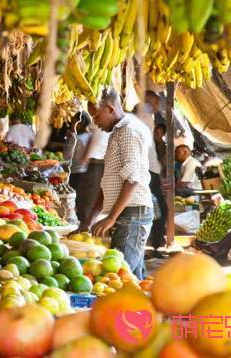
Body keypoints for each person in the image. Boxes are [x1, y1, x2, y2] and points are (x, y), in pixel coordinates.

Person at [88, 88, 154, 280]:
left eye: (96, 116)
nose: (95, 122)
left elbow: (132, 179)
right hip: (129, 214)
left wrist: (111, 218)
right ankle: (139, 311)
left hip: (133, 214)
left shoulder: (128, 131)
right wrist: (91, 218)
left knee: (118, 278)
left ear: (109, 109)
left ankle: (128, 311)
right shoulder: (118, 131)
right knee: (132, 279)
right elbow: (108, 181)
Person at [63, 112, 92, 226]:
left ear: (80, 123)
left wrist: (67, 142)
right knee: (85, 204)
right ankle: (85, 227)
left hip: (76, 174)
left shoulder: (76, 138)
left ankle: (77, 227)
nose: (71, 123)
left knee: (75, 204)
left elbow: (66, 157)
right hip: (89, 173)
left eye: (74, 121)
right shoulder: (91, 137)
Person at [149, 123, 169, 255]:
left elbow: (165, 165)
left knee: (161, 211)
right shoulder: (148, 143)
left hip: (156, 181)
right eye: (155, 132)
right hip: (148, 180)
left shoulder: (164, 147)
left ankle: (157, 243)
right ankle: (153, 243)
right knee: (153, 212)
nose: (157, 134)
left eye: (159, 133)